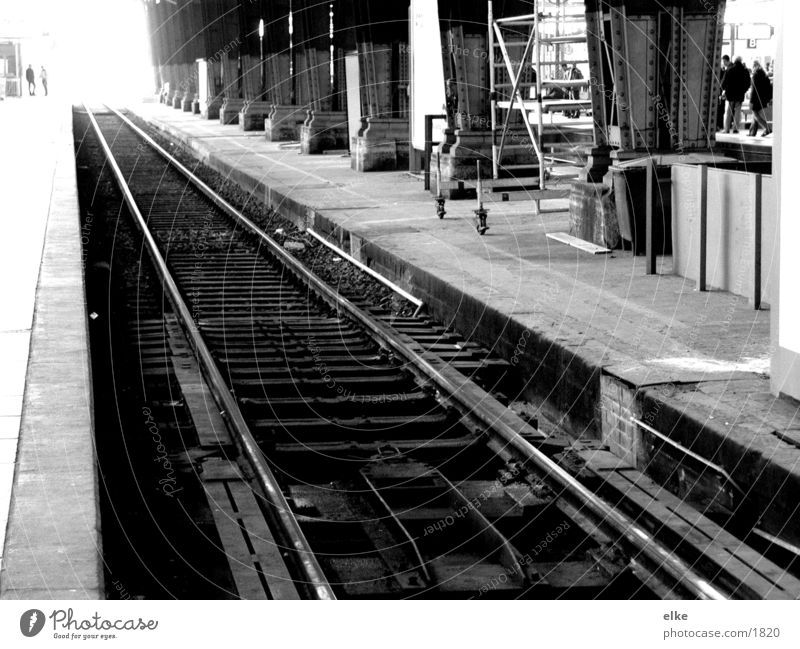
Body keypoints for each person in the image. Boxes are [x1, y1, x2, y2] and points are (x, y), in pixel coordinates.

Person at [721, 56, 750, 133]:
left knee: (728, 112)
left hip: (730, 94)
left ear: (734, 60)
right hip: (740, 94)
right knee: (737, 111)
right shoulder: (745, 70)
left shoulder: (730, 69)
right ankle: (735, 129)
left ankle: (726, 129)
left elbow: (723, 83)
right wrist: (743, 90)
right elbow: (748, 83)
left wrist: (724, 90)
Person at [748, 61, 772, 136]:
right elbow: (770, 88)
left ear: (754, 66)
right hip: (763, 99)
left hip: (756, 100)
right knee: (755, 114)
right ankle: (752, 132)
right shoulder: (765, 75)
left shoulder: (755, 75)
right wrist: (768, 99)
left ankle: (767, 128)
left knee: (755, 115)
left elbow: (753, 90)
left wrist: (751, 101)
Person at [716, 54, 730, 130]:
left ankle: (719, 125)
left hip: (720, 92)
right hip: (721, 92)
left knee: (720, 109)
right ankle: (720, 125)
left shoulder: (722, 70)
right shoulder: (723, 70)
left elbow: (722, 82)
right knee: (721, 109)